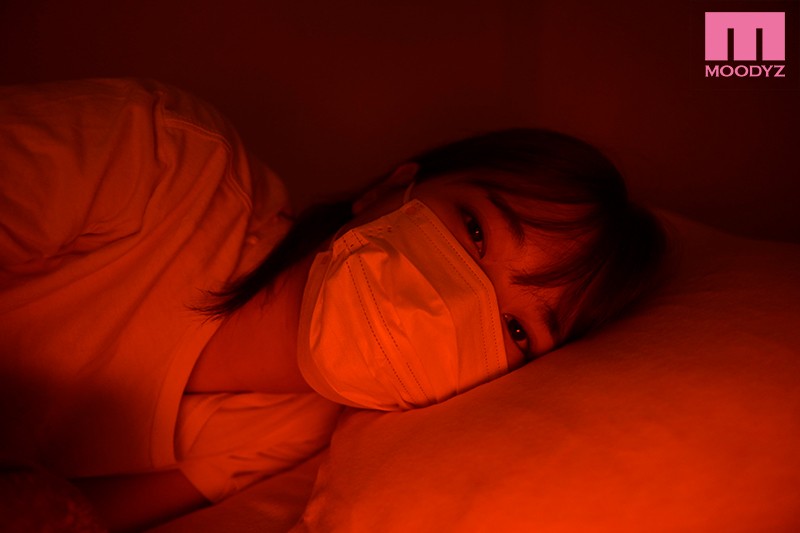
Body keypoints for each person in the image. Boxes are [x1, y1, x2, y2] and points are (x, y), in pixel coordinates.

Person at [0, 79, 666, 531]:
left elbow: (66, 513)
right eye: (474, 231)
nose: (454, 301)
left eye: (517, 330)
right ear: (389, 189)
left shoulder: (292, 436)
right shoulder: (161, 158)